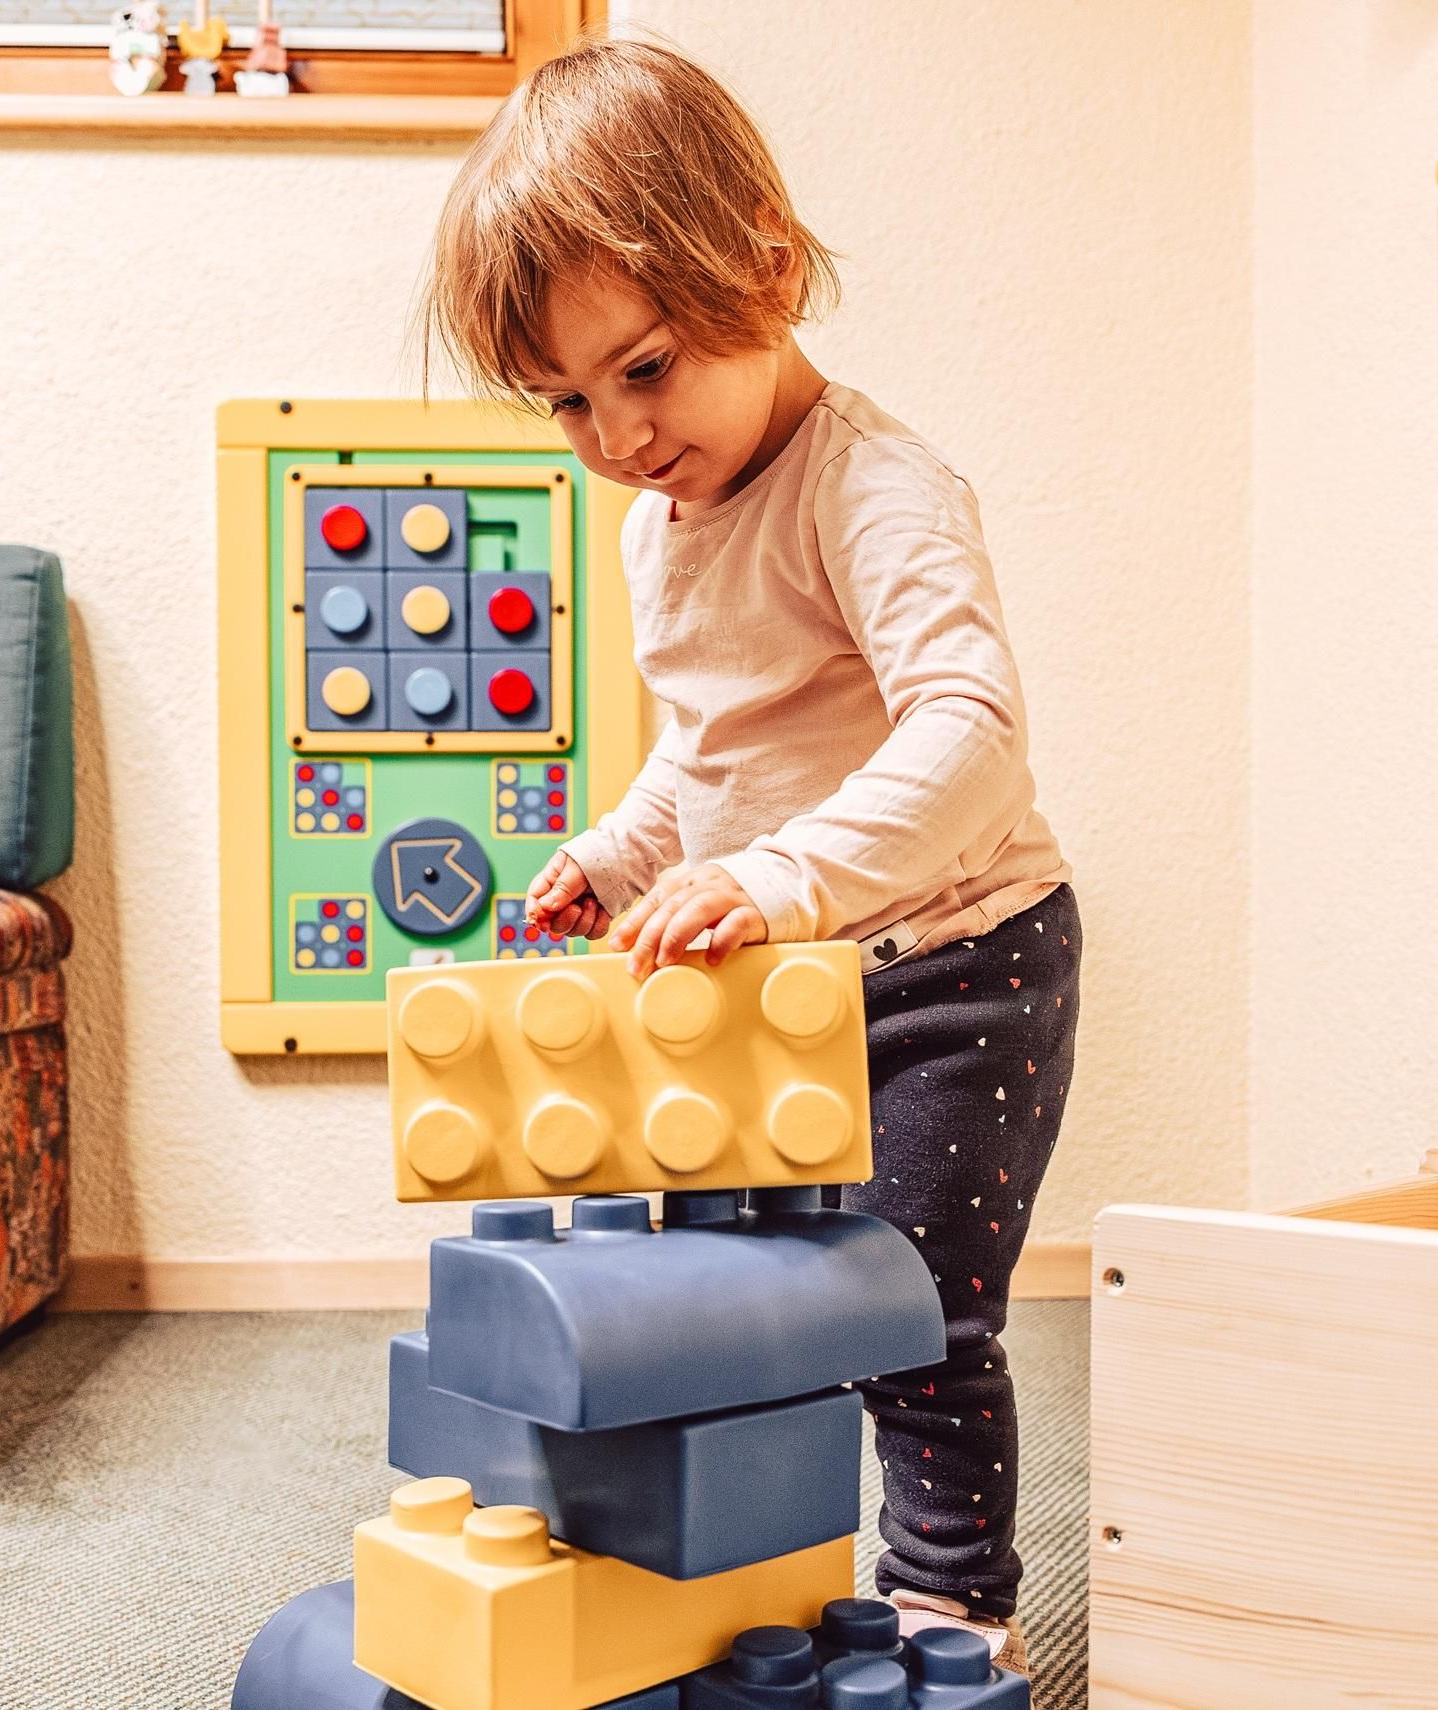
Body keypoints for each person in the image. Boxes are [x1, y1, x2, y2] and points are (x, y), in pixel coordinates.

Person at [419, 34, 1079, 1676]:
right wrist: (624, 855)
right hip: (767, 988)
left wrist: (779, 880)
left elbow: (970, 733)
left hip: (955, 966)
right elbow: (711, 758)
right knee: (730, 1321)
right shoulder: (663, 525)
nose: (615, 435)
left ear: (765, 271)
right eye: (564, 401)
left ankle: (948, 1605)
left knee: (909, 1318)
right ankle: (747, 1573)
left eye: (640, 370)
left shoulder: (876, 487)